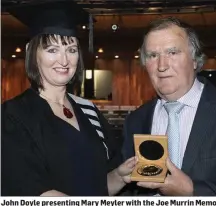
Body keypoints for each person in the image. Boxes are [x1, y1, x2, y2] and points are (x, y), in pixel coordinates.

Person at [1, 0, 135, 196]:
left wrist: (119, 176)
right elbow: (32, 190)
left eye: (71, 50)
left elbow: (98, 187)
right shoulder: (12, 115)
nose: (64, 61)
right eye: (52, 50)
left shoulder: (89, 110)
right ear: (32, 51)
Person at [120, 16, 216, 196]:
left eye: (172, 53)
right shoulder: (135, 121)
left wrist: (192, 191)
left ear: (195, 60)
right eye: (153, 56)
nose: (162, 66)